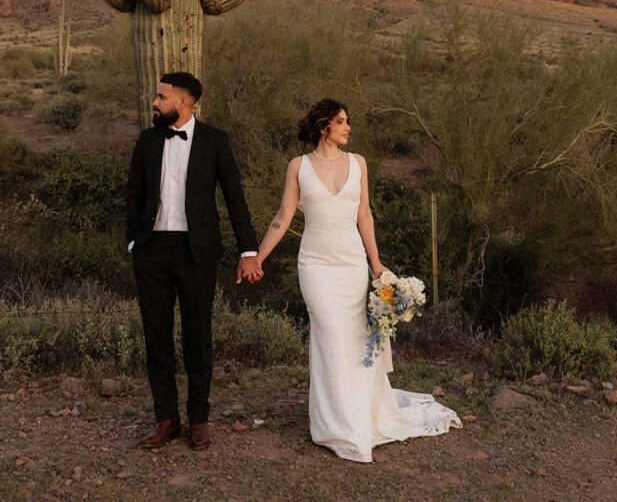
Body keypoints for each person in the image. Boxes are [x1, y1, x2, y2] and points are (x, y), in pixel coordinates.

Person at [256, 98, 461, 463]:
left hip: (352, 265)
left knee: (353, 339)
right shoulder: (298, 167)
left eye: (348, 121)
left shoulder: (358, 164)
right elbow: (283, 216)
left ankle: (359, 416)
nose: (348, 127)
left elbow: (364, 214)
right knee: (330, 335)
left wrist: (377, 262)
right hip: (316, 266)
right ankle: (336, 424)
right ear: (324, 128)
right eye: (341, 121)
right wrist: (258, 257)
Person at [126, 72, 262, 451]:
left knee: (197, 336)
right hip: (152, 250)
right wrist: (133, 241)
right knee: (156, 337)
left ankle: (199, 420)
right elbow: (133, 193)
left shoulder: (215, 140)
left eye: (161, 96)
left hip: (197, 252)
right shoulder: (148, 139)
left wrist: (247, 250)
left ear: (183, 102)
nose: (155, 102)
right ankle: (165, 419)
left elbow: (234, 196)